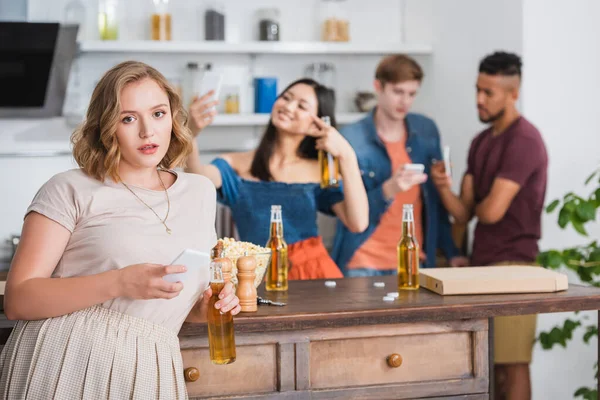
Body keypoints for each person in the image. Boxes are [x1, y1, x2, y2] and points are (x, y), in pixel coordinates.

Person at [0, 61, 241, 399]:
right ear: (106, 127)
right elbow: (18, 300)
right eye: (128, 118)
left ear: (173, 117)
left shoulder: (200, 191)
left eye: (158, 114)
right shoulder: (69, 188)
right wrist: (119, 282)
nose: (148, 131)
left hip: (151, 364)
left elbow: (175, 301)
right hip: (64, 358)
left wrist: (206, 309)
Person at [430, 51, 548, 400]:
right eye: (478, 90)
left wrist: (474, 195)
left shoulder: (524, 140)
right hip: (483, 266)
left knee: (511, 365)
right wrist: (443, 187)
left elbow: (492, 211)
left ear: (514, 92)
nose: (479, 100)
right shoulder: (481, 142)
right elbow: (465, 212)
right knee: (486, 366)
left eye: (489, 93)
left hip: (516, 267)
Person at [185, 78, 369, 280]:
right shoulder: (235, 164)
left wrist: (346, 156)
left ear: (317, 121)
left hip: (313, 275)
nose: (288, 106)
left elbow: (358, 223)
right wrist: (190, 134)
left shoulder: (320, 171)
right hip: (255, 274)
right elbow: (198, 180)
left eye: (301, 105)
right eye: (286, 97)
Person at [331, 54, 467, 276]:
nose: (405, 101)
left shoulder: (426, 130)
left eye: (412, 94)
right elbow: (343, 208)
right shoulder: (351, 138)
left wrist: (452, 251)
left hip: (412, 260)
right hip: (362, 260)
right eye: (398, 92)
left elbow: (433, 204)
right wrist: (389, 189)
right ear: (378, 87)